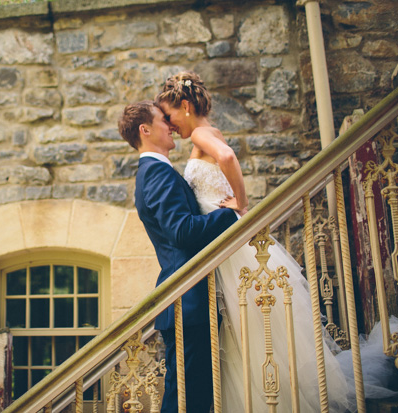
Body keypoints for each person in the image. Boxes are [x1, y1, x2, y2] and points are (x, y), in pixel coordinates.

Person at [155, 70, 397, 412]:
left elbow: (227, 158)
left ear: (185, 105)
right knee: (245, 331)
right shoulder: (204, 133)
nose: (170, 124)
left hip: (227, 241)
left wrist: (241, 204)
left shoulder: (202, 134)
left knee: (249, 328)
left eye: (170, 115)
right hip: (222, 240)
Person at [118, 100, 242, 413]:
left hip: (189, 301)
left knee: (193, 395)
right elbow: (182, 231)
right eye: (164, 120)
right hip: (188, 301)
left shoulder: (156, 172)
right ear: (145, 130)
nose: (171, 125)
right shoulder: (157, 174)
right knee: (188, 398)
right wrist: (230, 215)